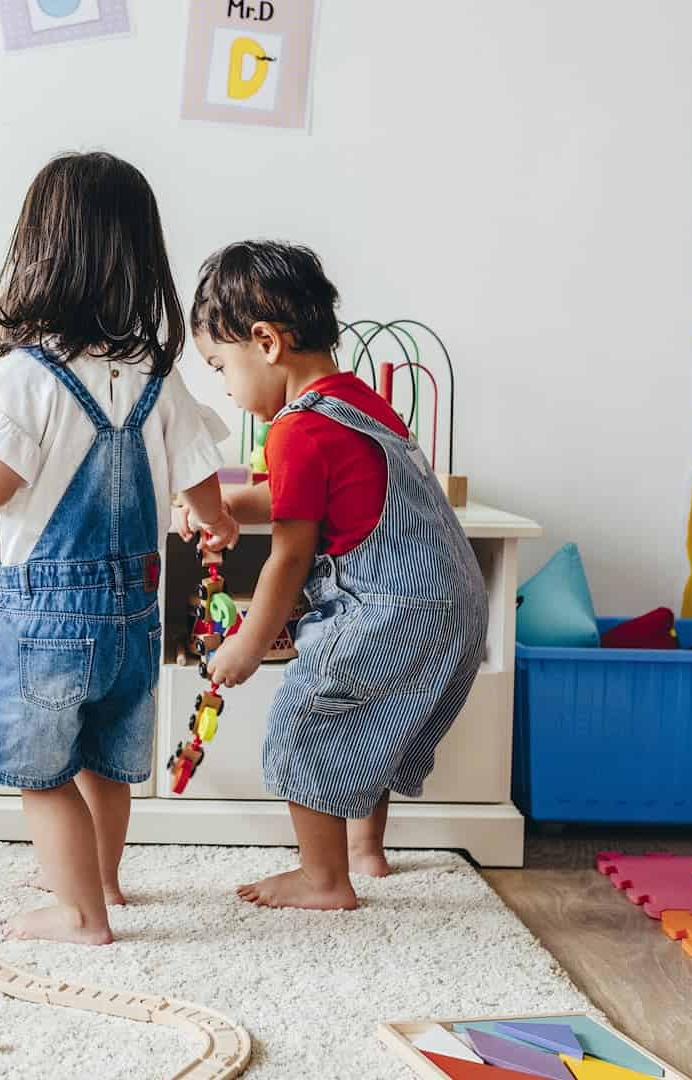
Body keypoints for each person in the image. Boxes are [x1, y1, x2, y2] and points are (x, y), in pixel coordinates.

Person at [0, 151, 236, 944]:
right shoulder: (159, 375)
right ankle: (106, 885)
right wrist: (208, 521)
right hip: (135, 613)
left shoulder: (27, 375)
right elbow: (206, 493)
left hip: (47, 618)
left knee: (42, 773)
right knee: (105, 762)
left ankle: (79, 914)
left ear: (41, 254)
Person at [183, 240, 487, 910]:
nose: (227, 389)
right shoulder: (358, 404)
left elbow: (290, 554)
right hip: (453, 602)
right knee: (368, 721)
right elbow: (311, 495)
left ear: (265, 342)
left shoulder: (293, 432)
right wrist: (229, 503)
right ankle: (365, 851)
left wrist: (249, 642)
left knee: (307, 720)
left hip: (392, 605)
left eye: (221, 368)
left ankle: (323, 880)